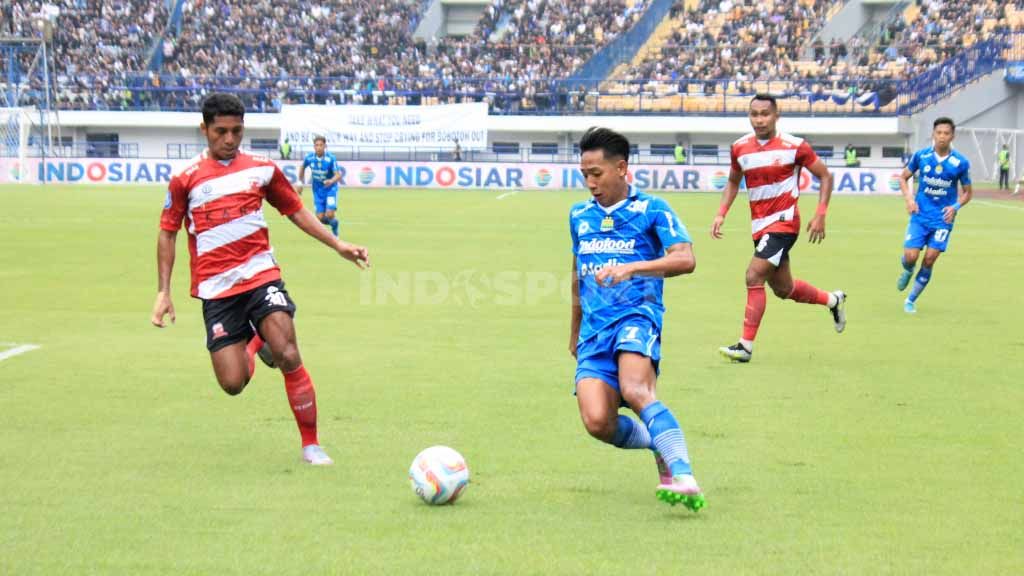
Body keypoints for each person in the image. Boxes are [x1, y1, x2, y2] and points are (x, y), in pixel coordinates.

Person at [150, 93, 370, 465]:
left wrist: (337, 244)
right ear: (204, 129)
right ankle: (255, 341)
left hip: (260, 274)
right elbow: (167, 233)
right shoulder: (184, 179)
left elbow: (295, 210)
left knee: (287, 351)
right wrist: (162, 292)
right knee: (233, 383)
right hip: (217, 289)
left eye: (237, 131)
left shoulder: (262, 169)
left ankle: (311, 445)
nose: (230, 139)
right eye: (221, 131)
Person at [569, 126, 705, 511]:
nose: (590, 182)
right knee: (598, 422)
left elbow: (685, 258)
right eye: (584, 174)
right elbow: (576, 271)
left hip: (637, 316)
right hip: (594, 331)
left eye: (596, 173)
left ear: (621, 168)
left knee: (636, 390)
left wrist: (633, 268)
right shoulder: (578, 214)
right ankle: (657, 442)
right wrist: (574, 329)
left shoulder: (652, 209)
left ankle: (683, 475)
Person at [711, 94, 846, 363]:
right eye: (754, 114)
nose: (759, 120)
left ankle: (745, 347)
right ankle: (833, 301)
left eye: (765, 114)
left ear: (776, 116)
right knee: (784, 289)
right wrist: (721, 213)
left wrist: (820, 214)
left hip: (784, 222)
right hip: (760, 226)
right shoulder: (739, 148)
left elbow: (825, 175)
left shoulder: (794, 146)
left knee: (753, 276)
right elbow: (733, 182)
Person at [896, 117, 972, 313]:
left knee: (930, 258)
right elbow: (903, 178)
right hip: (920, 216)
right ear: (933, 134)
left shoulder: (960, 163)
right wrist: (909, 199)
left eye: (946, 133)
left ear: (952, 136)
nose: (942, 137)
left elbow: (968, 193)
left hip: (942, 220)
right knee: (910, 256)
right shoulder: (921, 156)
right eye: (939, 133)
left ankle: (910, 300)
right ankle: (907, 268)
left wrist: (955, 207)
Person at [297, 136, 343, 237]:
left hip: (330, 189)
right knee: (320, 218)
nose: (319, 147)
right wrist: (300, 183)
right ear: (314, 147)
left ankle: (335, 231)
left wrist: (331, 181)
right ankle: (334, 223)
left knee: (330, 214)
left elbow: (338, 175)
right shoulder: (309, 158)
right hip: (317, 190)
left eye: (321, 145)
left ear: (325, 146)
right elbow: (302, 167)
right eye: (316, 145)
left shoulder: (331, 158)